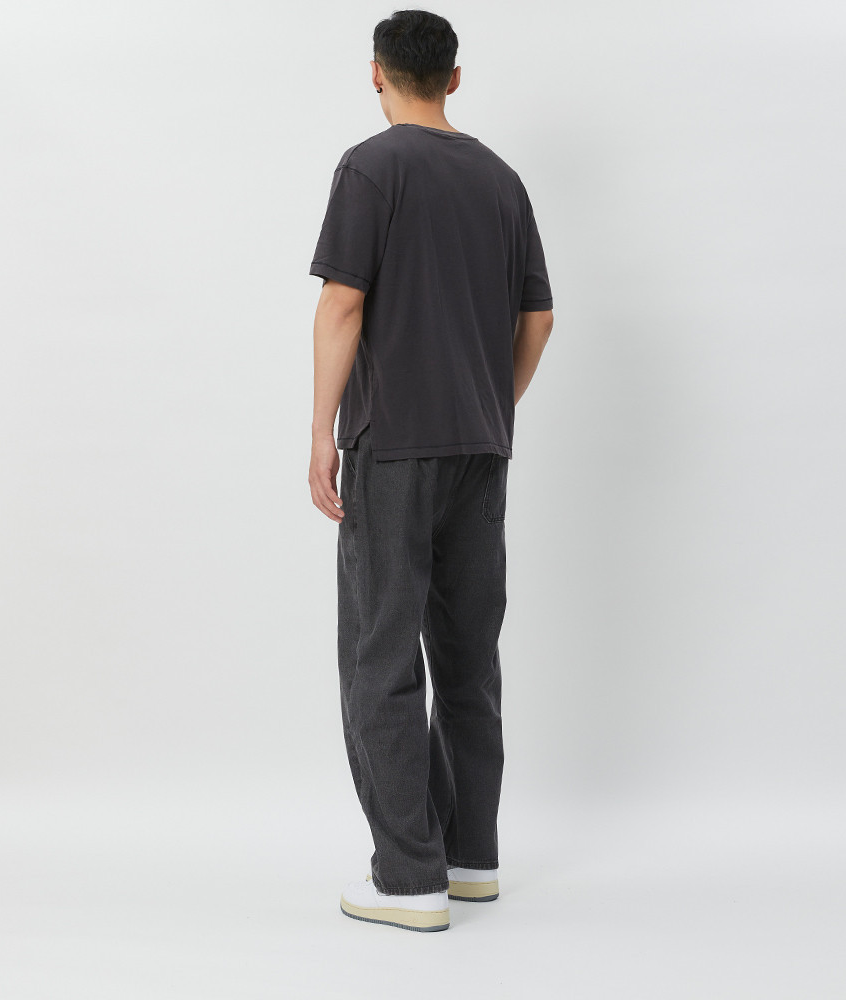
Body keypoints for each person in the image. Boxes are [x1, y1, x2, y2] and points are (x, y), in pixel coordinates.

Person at [308, 9, 554, 933]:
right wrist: (490, 403)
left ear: (377, 73)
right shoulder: (501, 180)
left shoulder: (371, 168)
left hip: (396, 448)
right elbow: (538, 319)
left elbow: (342, 305)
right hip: (480, 451)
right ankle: (470, 858)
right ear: (455, 77)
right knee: (467, 658)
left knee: (379, 656)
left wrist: (323, 432)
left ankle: (409, 879)